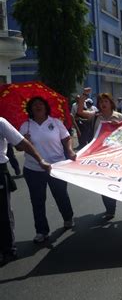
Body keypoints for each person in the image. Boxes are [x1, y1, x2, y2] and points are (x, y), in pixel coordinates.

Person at [19, 97, 76, 243]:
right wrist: (23, 141)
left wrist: (69, 151)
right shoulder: (26, 125)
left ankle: (68, 218)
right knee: (37, 201)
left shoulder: (55, 122)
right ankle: (41, 231)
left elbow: (67, 138)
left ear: (46, 107)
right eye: (34, 105)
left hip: (56, 167)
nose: (38, 106)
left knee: (61, 195)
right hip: (33, 169)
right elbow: (18, 146)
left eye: (41, 104)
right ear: (30, 109)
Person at [1, 117, 51, 264]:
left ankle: (8, 250)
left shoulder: (1, 122)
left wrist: (40, 160)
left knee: (3, 213)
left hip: (0, 171)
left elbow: (23, 144)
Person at [76, 90, 122, 219]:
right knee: (104, 181)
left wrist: (118, 126)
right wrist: (84, 96)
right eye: (101, 102)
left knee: (115, 180)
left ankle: (114, 199)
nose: (103, 104)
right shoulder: (95, 116)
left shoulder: (119, 116)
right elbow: (80, 112)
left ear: (111, 103)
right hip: (100, 155)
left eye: (105, 101)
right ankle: (110, 209)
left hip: (116, 154)